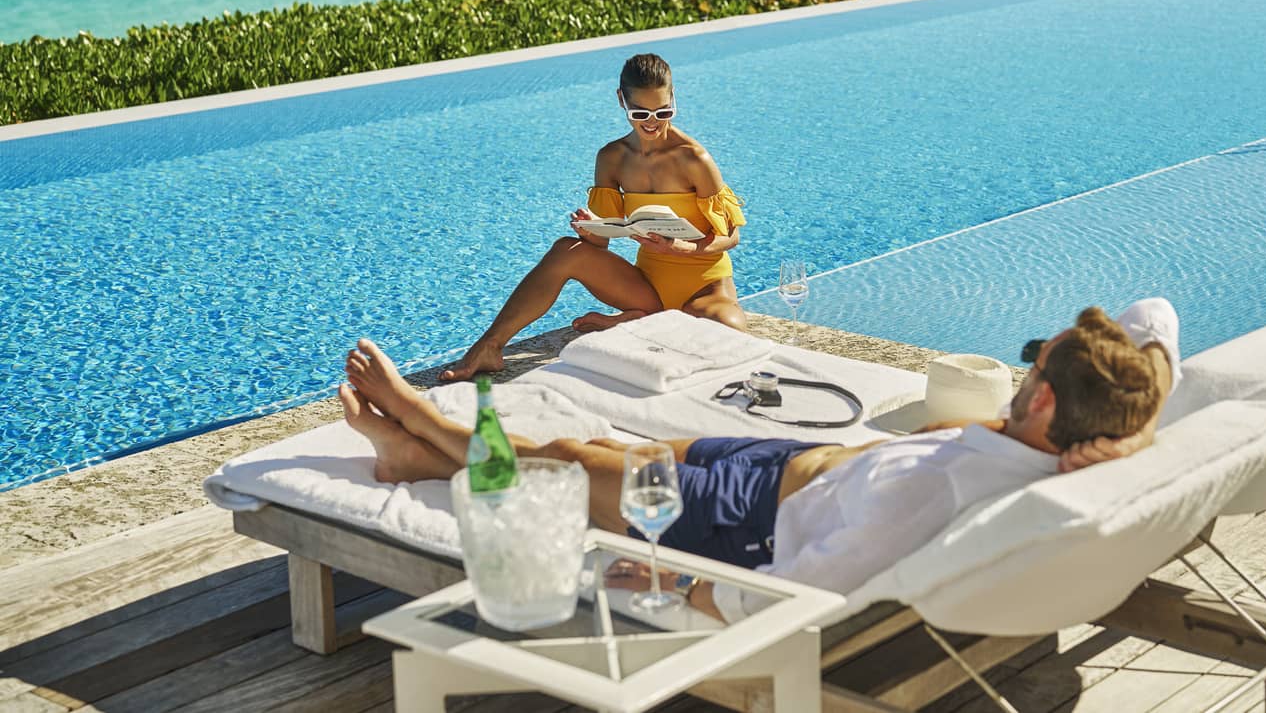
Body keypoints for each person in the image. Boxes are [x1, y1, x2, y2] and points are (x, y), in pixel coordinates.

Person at [341, 298, 1181, 622]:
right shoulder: (1071, 440)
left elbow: (805, 590)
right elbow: (1157, 318)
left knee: (564, 459)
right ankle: (419, 460)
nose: (1023, 370)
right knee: (610, 450)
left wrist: (678, 586)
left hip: (742, 520)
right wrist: (1136, 426)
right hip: (786, 464)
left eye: (1033, 366)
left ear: (1044, 403)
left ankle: (418, 422)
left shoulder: (933, 496)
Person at [439, 53, 748, 381]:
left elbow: (732, 236)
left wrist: (681, 248)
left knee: (726, 332)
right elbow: (601, 244)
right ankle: (489, 346)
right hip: (648, 287)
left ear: (673, 98)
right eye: (640, 113)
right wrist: (590, 231)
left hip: (705, 288)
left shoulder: (694, 159)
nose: (652, 122)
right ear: (621, 100)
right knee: (566, 250)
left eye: (663, 111)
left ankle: (634, 321)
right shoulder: (612, 157)